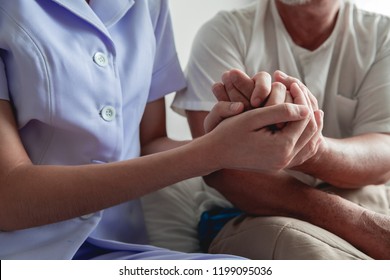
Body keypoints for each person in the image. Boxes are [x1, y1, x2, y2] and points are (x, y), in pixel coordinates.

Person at [0, 0, 321, 260]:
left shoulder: (147, 5)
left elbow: (150, 142)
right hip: (23, 253)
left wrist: (236, 134)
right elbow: (9, 198)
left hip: (117, 247)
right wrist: (211, 152)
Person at [168, 0, 390, 259]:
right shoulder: (225, 31)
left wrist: (311, 150)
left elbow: (383, 154)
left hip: (364, 198)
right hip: (246, 212)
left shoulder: (382, 35)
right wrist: (358, 224)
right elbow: (219, 168)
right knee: (309, 255)